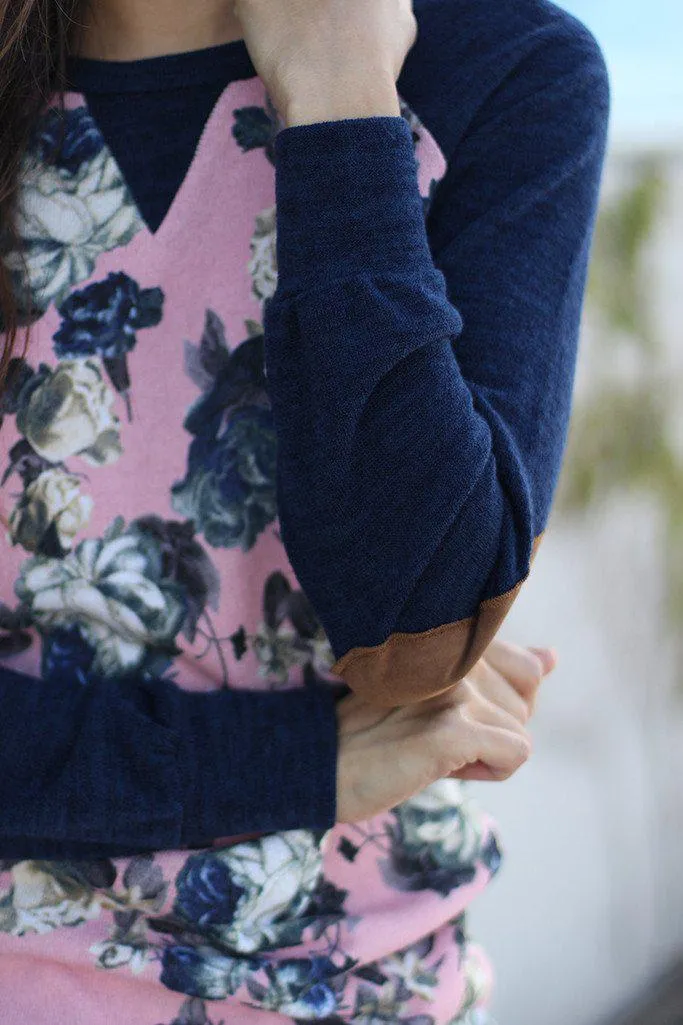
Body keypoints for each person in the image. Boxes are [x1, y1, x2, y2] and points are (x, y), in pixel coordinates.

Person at [0, 0, 609, 1021]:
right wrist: (294, 762)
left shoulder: (501, 75)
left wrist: (338, 102)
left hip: (350, 988)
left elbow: (416, 624)